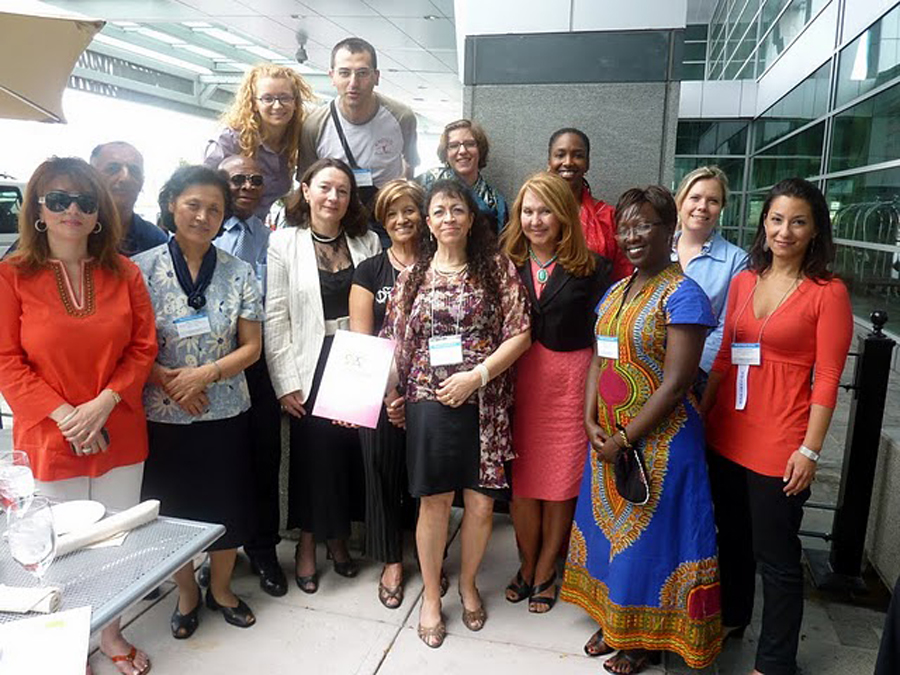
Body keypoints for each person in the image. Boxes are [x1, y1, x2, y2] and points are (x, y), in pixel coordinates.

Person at [0, 157, 157, 675]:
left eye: (85, 203)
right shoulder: (11, 276)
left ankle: (111, 632)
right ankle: (62, 647)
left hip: (119, 428)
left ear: (99, 216)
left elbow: (142, 348)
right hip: (49, 435)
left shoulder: (125, 273)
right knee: (55, 551)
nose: (72, 210)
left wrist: (104, 403)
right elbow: (6, 360)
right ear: (39, 209)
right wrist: (68, 415)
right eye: (59, 199)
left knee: (116, 540)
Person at [560, 186, 722, 674]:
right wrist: (589, 419)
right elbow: (598, 358)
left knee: (651, 545)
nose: (630, 236)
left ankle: (644, 641)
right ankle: (617, 623)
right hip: (608, 441)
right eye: (624, 226)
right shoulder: (615, 289)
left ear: (669, 230)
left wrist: (626, 438)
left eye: (643, 225)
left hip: (661, 447)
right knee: (614, 540)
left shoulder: (684, 294)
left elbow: (675, 385)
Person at [701, 178, 853, 675]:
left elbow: (828, 377)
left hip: (781, 439)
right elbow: (724, 354)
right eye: (776, 219)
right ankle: (734, 618)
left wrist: (809, 451)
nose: (784, 230)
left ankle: (775, 660)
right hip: (728, 431)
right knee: (733, 539)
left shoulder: (827, 293)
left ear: (815, 230)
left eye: (798, 221)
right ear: (763, 223)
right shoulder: (747, 278)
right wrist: (701, 415)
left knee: (779, 557)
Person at [381, 179, 531, 648]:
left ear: (472, 218)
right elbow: (393, 340)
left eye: (457, 210)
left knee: (482, 503)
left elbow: (520, 333)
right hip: (428, 401)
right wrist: (389, 393)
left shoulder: (497, 269)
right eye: (439, 211)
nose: (449, 219)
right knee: (435, 502)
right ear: (428, 222)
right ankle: (430, 594)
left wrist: (477, 376)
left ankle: (467, 584)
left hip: (484, 402)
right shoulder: (413, 277)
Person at [135, 165, 263, 638]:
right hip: (163, 414)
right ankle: (187, 592)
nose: (203, 215)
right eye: (193, 204)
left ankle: (223, 589)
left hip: (225, 409)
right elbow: (128, 343)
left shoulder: (239, 271)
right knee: (172, 509)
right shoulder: (139, 269)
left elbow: (251, 346)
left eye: (215, 208)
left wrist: (206, 375)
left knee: (227, 505)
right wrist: (167, 381)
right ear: (171, 204)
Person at [265, 158, 381, 594]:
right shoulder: (285, 244)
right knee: (315, 460)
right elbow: (275, 315)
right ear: (307, 189)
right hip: (308, 364)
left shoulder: (366, 241)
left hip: (356, 358)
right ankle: (308, 545)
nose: (333, 198)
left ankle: (338, 540)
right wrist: (285, 382)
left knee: (349, 455)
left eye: (343, 191)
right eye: (325, 188)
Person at [499, 172, 609, 613]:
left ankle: (547, 568)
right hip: (520, 381)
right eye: (528, 210)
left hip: (571, 382)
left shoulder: (594, 267)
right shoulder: (503, 262)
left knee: (562, 482)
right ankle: (526, 565)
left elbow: (605, 339)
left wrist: (600, 396)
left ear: (563, 214)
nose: (536, 219)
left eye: (545, 210)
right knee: (523, 481)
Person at [348, 178, 424, 608]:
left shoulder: (440, 264)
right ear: (382, 221)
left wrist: (415, 398)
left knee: (423, 475)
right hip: (380, 392)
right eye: (392, 213)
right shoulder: (370, 271)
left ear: (423, 215)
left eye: (409, 210)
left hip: (432, 392)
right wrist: (391, 396)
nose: (401, 220)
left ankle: (425, 550)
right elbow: (363, 339)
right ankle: (391, 559)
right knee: (379, 468)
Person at [213, 155, 286, 597]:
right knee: (219, 463)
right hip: (208, 367)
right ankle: (216, 552)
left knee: (264, 459)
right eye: (236, 178)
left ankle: (263, 550)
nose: (246, 185)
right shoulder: (196, 234)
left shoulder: (270, 240)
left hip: (258, 366)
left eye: (255, 180)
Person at [298, 37, 419, 243]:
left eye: (362, 73)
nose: (353, 83)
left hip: (384, 217)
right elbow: (306, 181)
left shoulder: (401, 117)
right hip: (336, 216)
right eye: (344, 73)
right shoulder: (314, 125)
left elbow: (410, 164)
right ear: (332, 77)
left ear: (376, 77)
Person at [3, 142, 167, 260]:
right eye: (113, 169)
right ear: (90, 177)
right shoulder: (61, 230)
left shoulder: (155, 241)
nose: (125, 177)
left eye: (134, 170)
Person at [204, 63, 315, 219]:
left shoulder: (296, 141)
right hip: (223, 230)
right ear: (254, 103)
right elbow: (202, 189)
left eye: (284, 98)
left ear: (295, 102)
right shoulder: (230, 140)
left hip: (256, 232)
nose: (277, 105)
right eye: (267, 98)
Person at [673, 166, 747, 391]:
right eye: (695, 197)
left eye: (713, 201)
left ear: (721, 208)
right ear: (681, 201)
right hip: (649, 367)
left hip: (699, 376)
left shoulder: (737, 260)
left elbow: (728, 325)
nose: (702, 207)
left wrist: (690, 369)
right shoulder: (657, 249)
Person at [547, 128, 632, 281]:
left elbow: (622, 274)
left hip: (599, 302)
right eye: (560, 155)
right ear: (549, 162)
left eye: (578, 156)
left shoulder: (607, 216)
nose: (568, 162)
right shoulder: (534, 215)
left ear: (587, 163)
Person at [418, 119, 509, 231]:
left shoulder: (494, 202)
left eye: (470, 144)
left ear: (480, 149)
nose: (462, 151)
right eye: (454, 145)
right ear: (445, 153)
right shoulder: (427, 182)